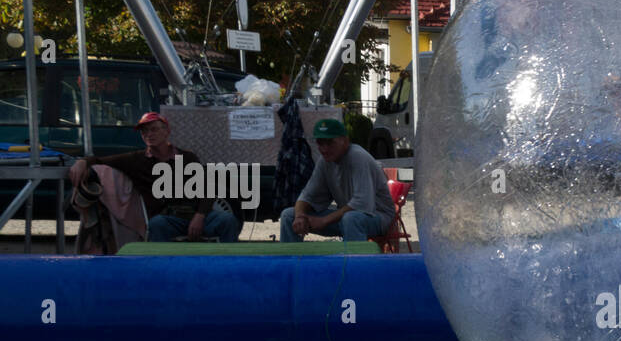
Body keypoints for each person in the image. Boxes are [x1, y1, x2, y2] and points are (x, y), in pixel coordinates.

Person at [69, 112, 240, 243]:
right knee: (157, 225)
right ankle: (161, 273)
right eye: (144, 131)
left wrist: (200, 216)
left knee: (228, 221)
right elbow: (99, 160)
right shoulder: (136, 159)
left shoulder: (187, 158)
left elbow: (208, 189)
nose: (149, 134)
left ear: (166, 132)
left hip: (197, 215)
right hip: (169, 218)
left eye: (154, 129)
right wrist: (82, 162)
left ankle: (228, 270)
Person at [279, 118, 394, 243]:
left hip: (377, 216)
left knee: (351, 219)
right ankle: (292, 261)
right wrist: (299, 216)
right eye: (320, 143)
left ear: (345, 140)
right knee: (288, 215)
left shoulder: (357, 156)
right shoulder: (325, 161)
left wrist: (324, 220)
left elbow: (361, 204)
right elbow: (307, 196)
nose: (324, 149)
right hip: (347, 216)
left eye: (329, 143)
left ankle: (355, 261)